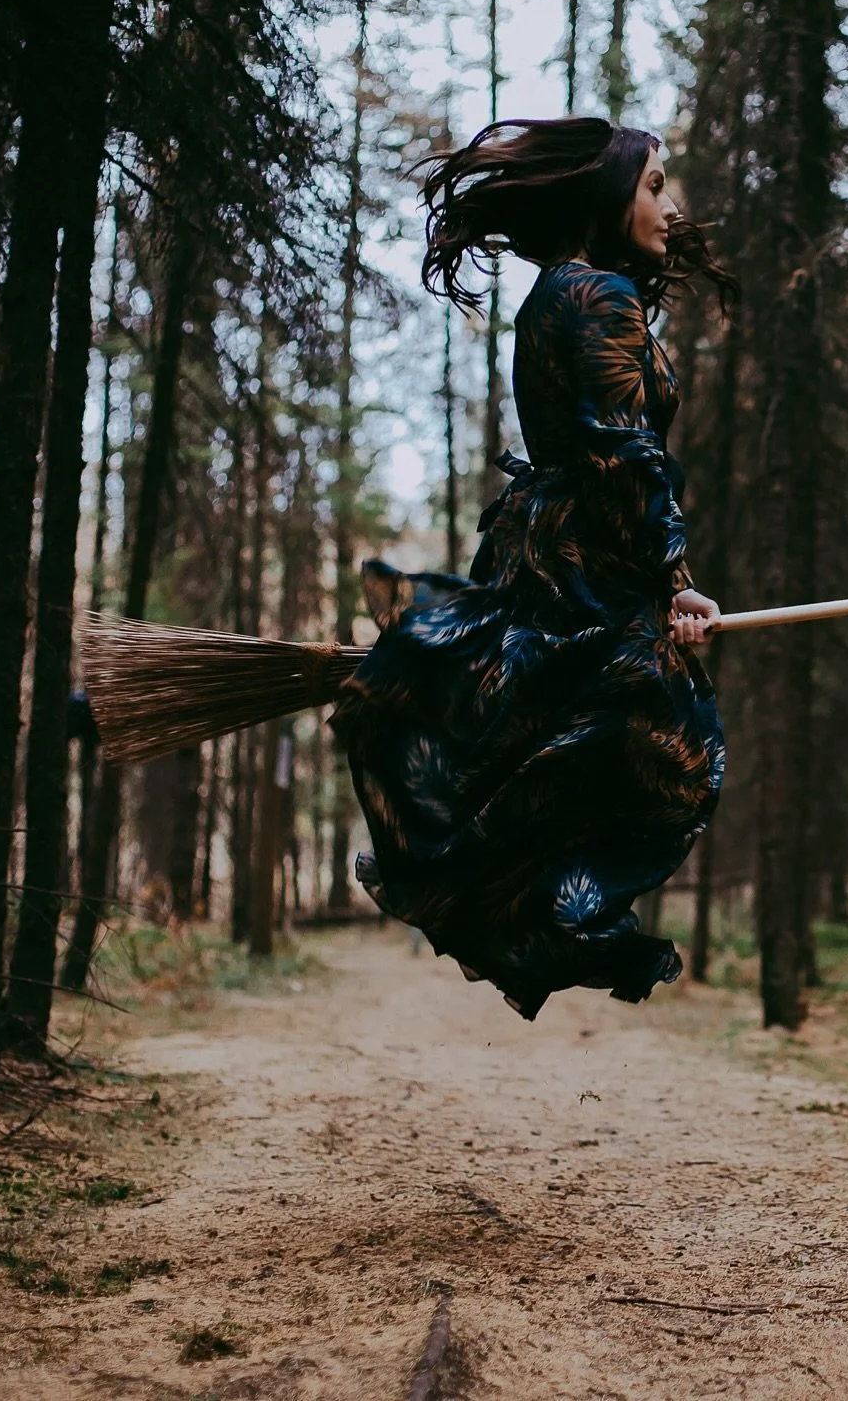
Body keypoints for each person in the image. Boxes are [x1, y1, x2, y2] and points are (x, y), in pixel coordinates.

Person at [329, 117, 735, 1020]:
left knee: (568, 741)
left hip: (561, 545)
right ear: (609, 196)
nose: (671, 206)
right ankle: (537, 915)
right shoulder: (596, 296)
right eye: (654, 185)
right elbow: (623, 451)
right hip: (587, 559)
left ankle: (524, 907)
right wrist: (674, 579)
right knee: (680, 753)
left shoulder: (565, 288)